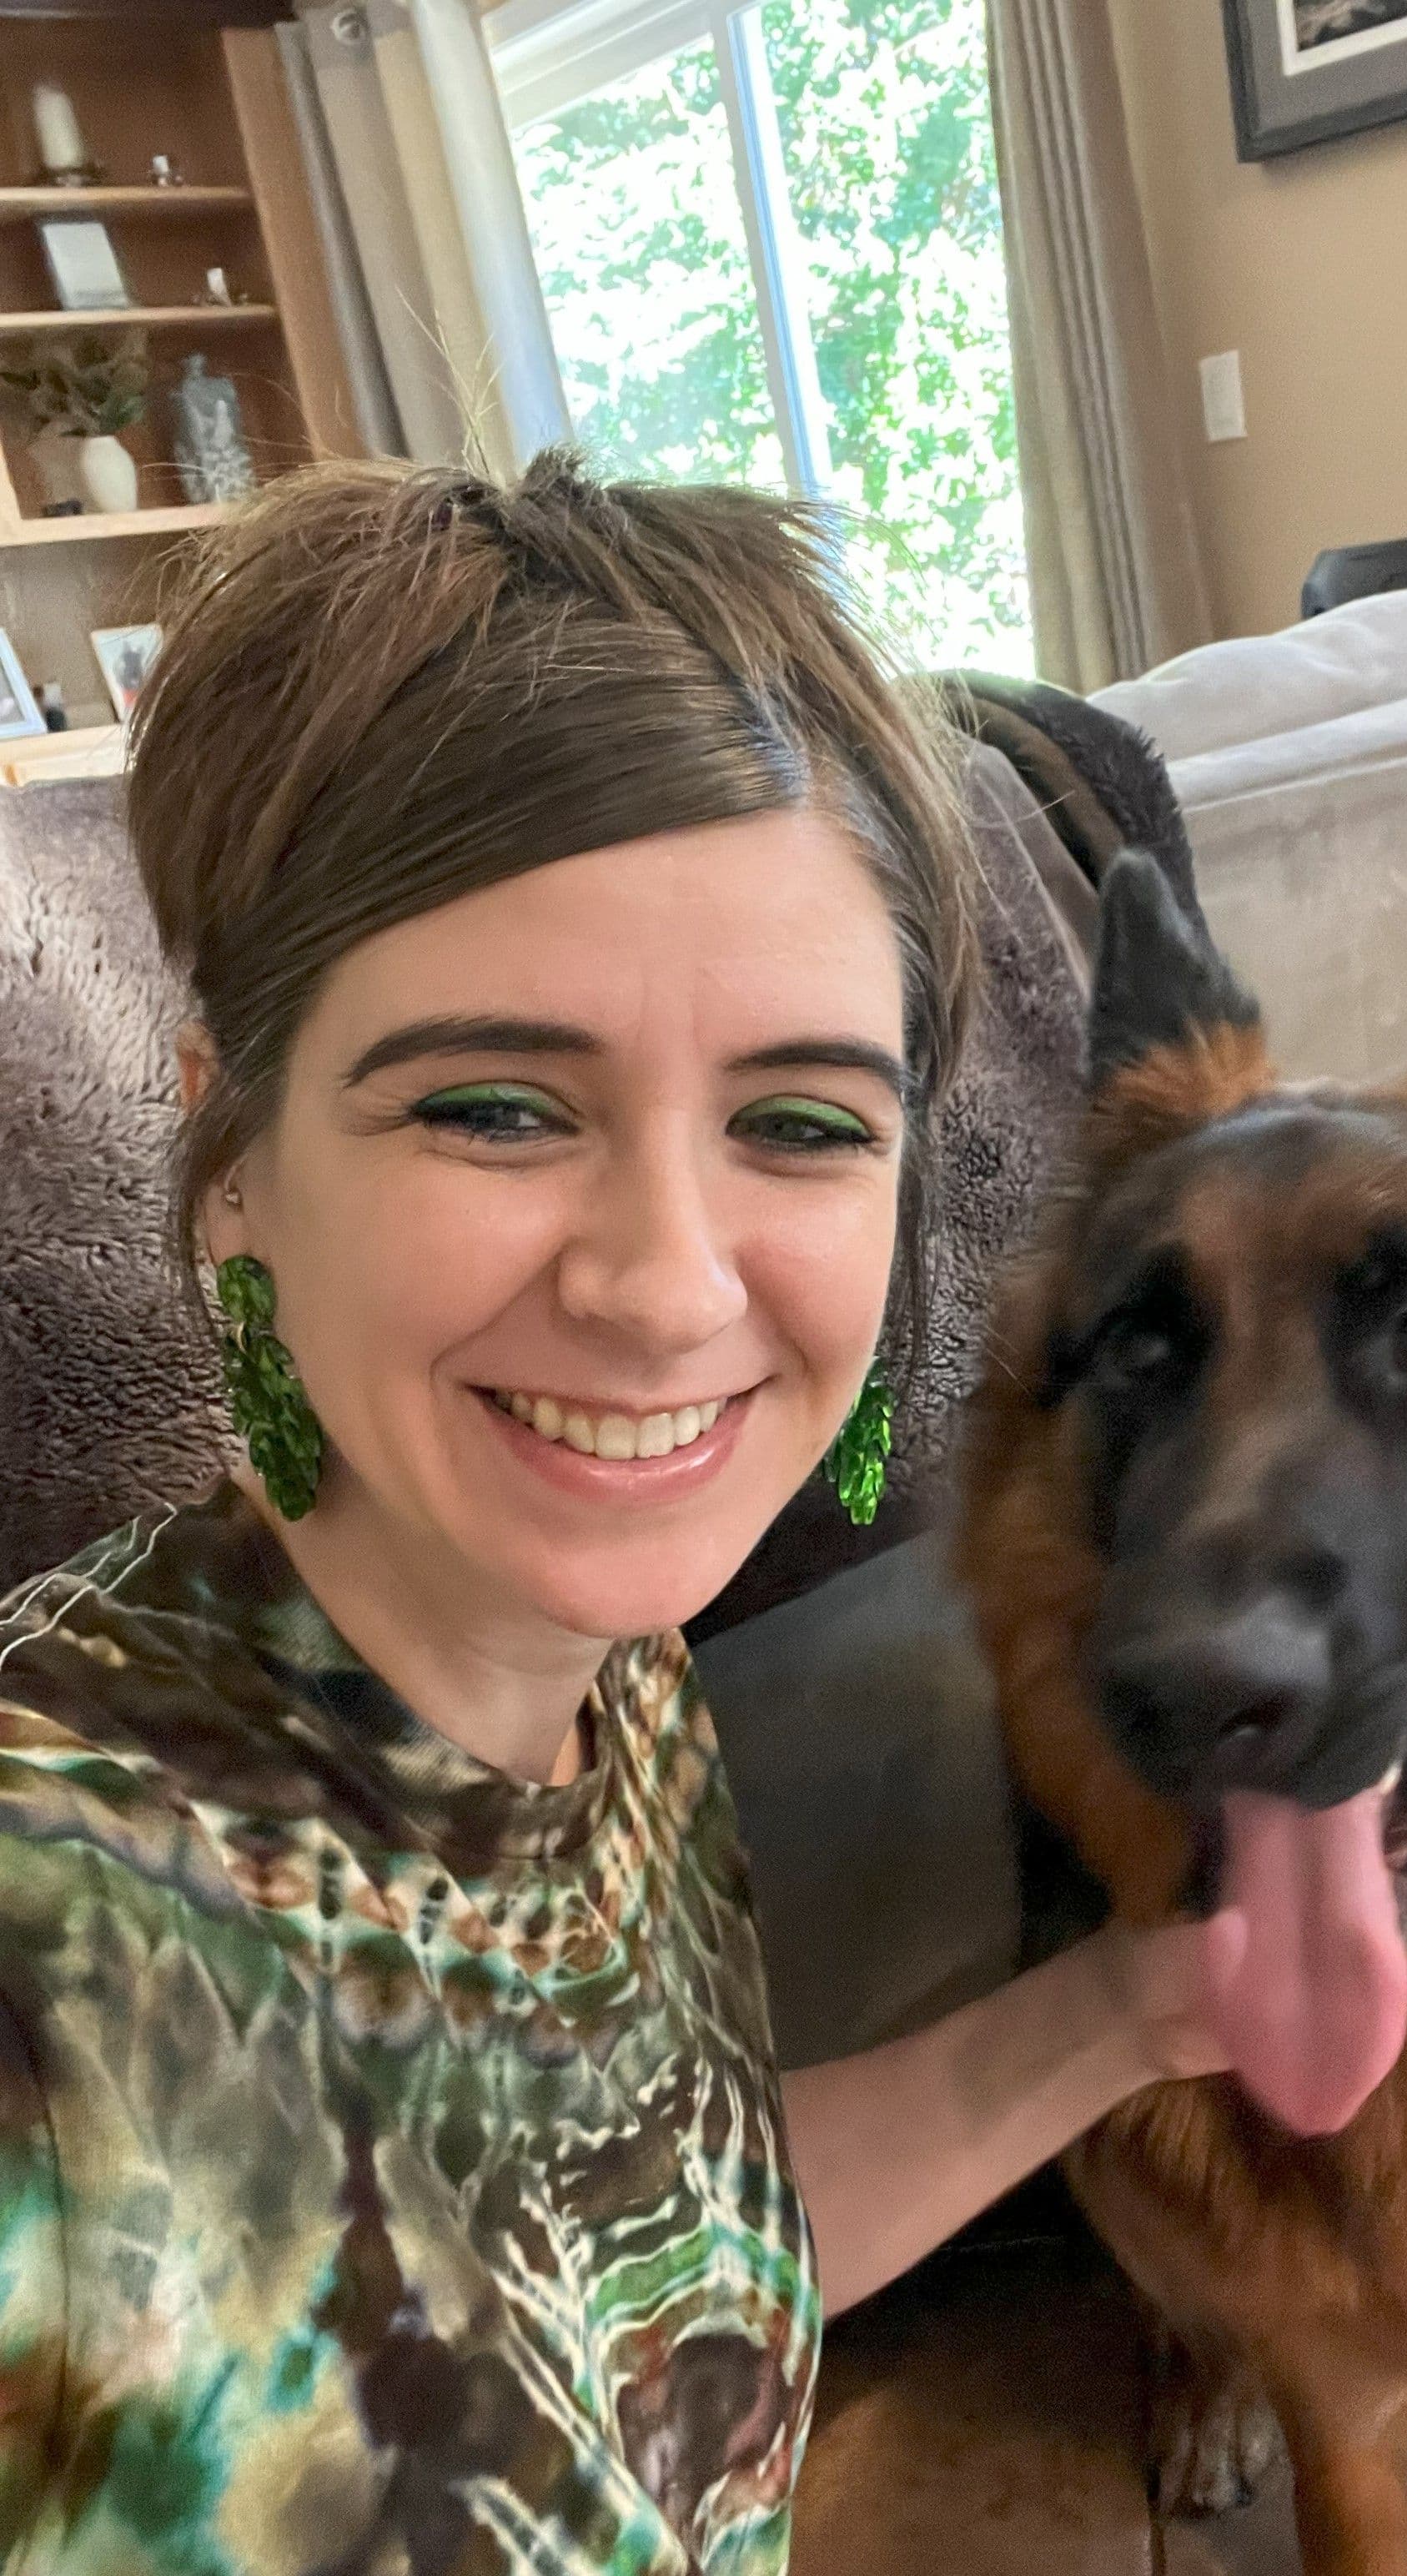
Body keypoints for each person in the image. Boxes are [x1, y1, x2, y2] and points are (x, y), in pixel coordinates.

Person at [0, 455, 1234, 2574]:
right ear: (234, 1163)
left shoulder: (600, 1681)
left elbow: (662, 2263)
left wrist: (1150, 2005)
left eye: (797, 1118)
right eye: (493, 1103)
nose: (669, 1284)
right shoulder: (57, 1952)